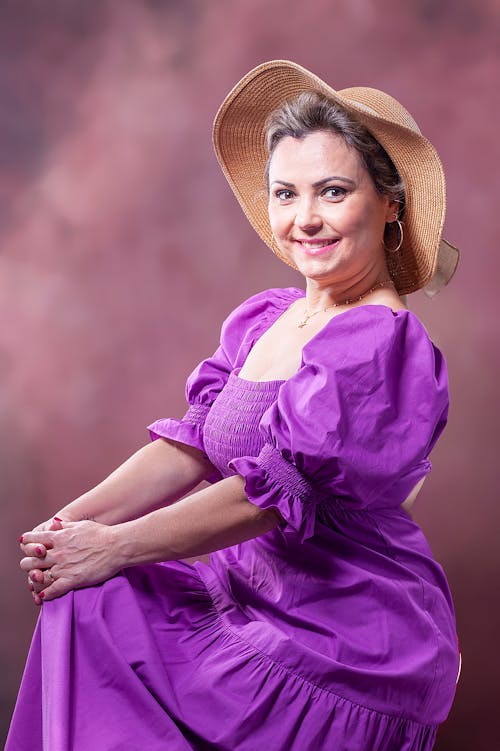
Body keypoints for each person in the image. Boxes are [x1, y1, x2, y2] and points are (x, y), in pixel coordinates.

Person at [8, 60, 460, 750]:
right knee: (90, 601)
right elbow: (191, 443)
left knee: (105, 586)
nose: (304, 218)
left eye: (334, 191)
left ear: (389, 202)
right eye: (286, 193)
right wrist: (74, 524)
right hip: (251, 598)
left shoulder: (379, 339)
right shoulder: (265, 317)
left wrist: (115, 545)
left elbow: (264, 498)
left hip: (341, 641)